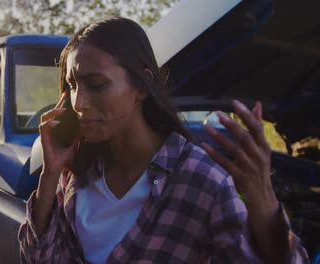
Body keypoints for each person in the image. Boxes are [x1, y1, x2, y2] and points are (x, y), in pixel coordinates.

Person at [18, 17, 308, 263]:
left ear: (143, 85)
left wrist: (265, 206)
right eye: (72, 85)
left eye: (96, 85)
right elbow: (39, 258)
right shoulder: (79, 172)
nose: (78, 102)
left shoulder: (202, 181)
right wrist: (50, 174)